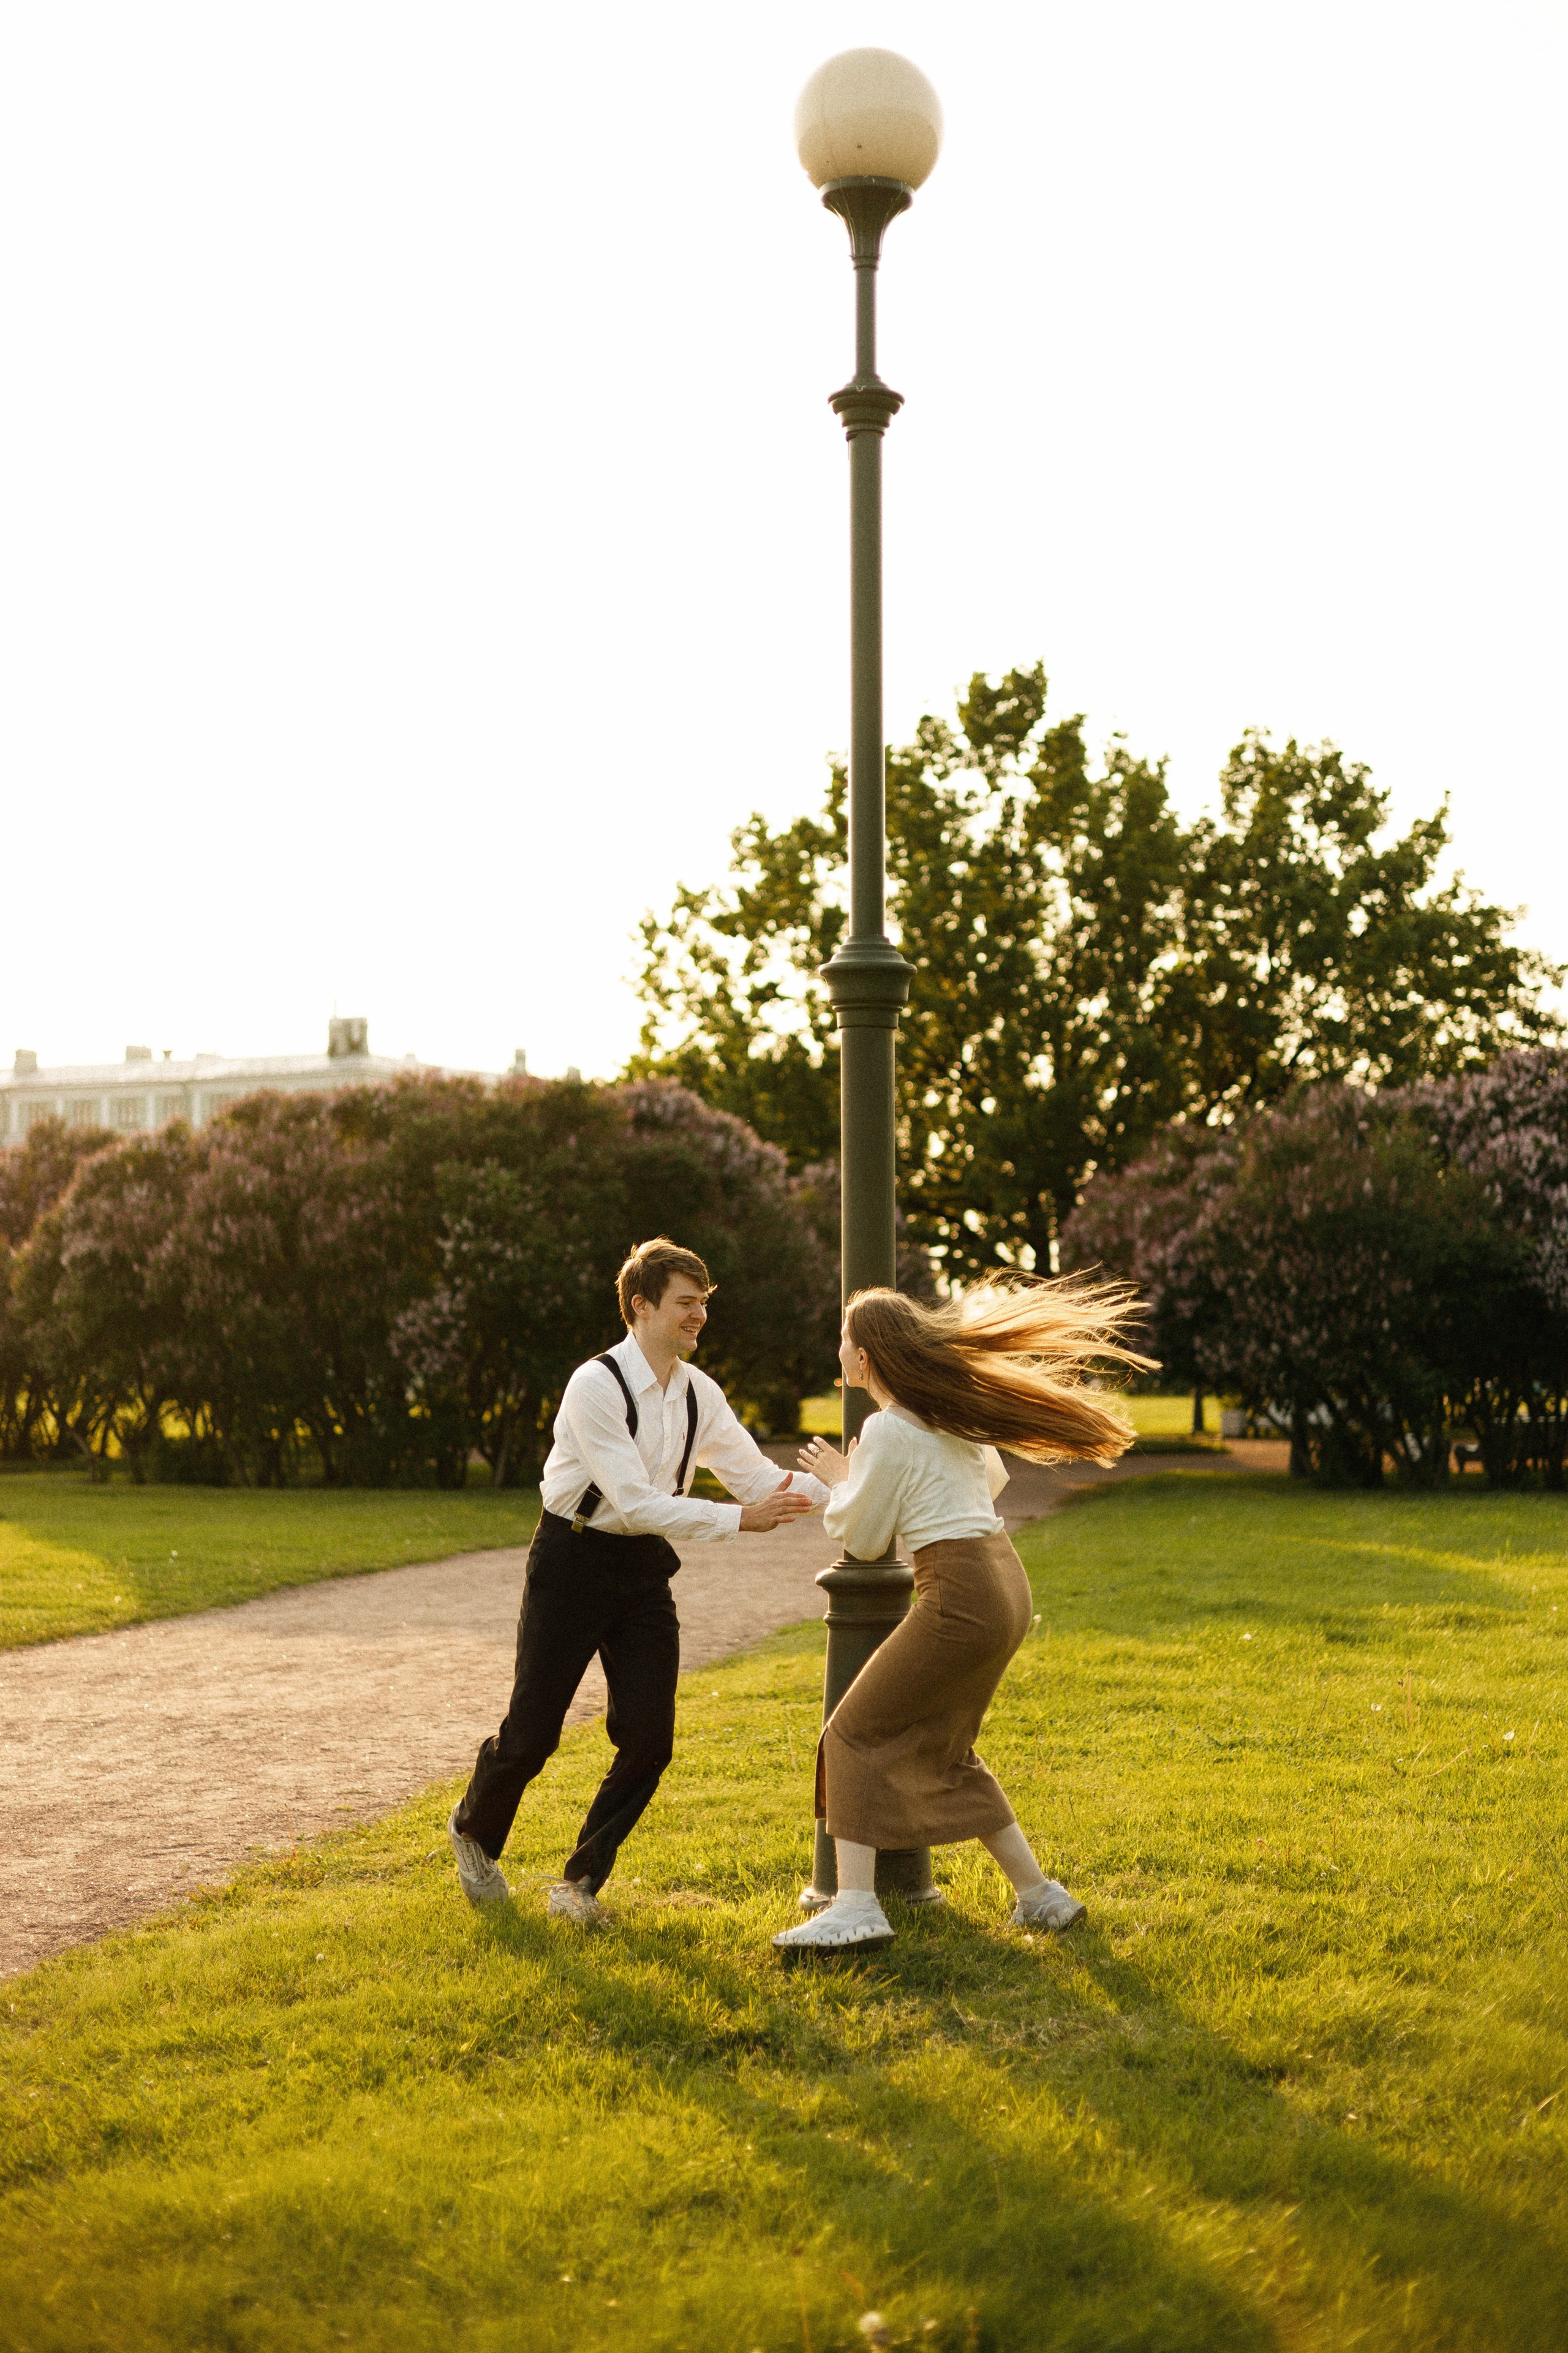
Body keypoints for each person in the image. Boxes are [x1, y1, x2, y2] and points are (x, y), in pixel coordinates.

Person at [449, 1237, 827, 1923]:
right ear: (640, 1306)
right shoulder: (595, 1385)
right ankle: (473, 1831)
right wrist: (743, 1520)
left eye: (703, 1304)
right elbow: (633, 1501)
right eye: (686, 1303)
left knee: (650, 1739)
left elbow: (759, 1479)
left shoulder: (698, 1392)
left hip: (642, 1569)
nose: (699, 1317)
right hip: (571, 1559)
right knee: (532, 1735)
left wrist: (854, 1492)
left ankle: (579, 1884)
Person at [772, 1276, 1150, 1957]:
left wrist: (840, 1478)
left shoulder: (887, 1428)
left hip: (959, 1591)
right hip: (1006, 1582)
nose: (838, 1352)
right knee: (950, 1748)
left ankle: (855, 1906)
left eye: (843, 1341)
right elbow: (994, 1481)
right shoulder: (948, 1414)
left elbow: (861, 1536)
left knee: (850, 1734)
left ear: (864, 1358)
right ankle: (1040, 1896)